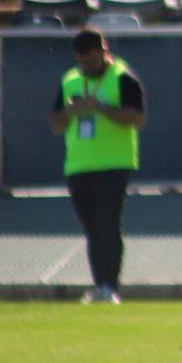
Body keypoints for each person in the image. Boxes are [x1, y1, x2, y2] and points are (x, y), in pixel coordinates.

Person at [49, 27, 147, 305]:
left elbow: (138, 118)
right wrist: (70, 112)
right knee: (91, 227)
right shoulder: (70, 80)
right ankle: (99, 285)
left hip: (115, 161)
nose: (87, 67)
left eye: (92, 61)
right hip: (79, 164)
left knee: (108, 223)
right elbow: (55, 124)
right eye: (83, 62)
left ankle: (110, 286)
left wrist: (101, 108)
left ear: (104, 51)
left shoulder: (123, 77)